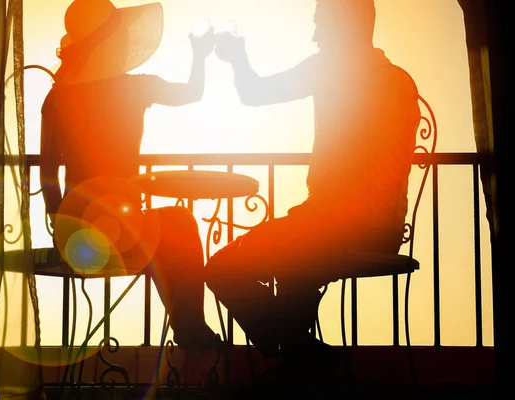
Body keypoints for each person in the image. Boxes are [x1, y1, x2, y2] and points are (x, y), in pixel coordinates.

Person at [205, 0, 421, 370]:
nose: (315, 34)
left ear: (342, 26)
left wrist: (238, 58)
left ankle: (300, 352)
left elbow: (255, 93)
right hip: (383, 232)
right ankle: (302, 353)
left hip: (330, 227)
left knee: (221, 268)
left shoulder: (327, 70)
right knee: (295, 263)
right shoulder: (400, 80)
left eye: (321, 24)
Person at [40, 0, 220, 351]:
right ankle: (191, 333)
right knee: (180, 225)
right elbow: (191, 93)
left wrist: (61, 233)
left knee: (164, 236)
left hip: (79, 234)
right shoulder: (134, 88)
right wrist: (200, 54)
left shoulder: (58, 98)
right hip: (124, 227)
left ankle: (190, 334)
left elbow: (48, 174)